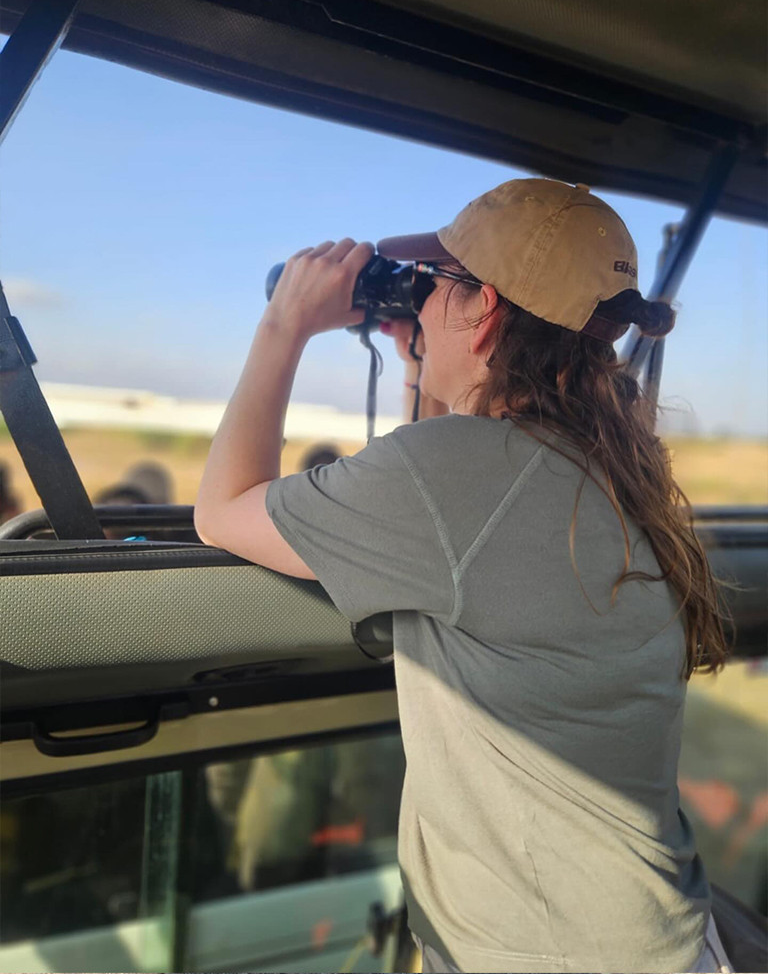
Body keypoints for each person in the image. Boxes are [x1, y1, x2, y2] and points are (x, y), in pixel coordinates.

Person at [194, 178, 734, 974]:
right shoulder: (606, 467)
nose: (417, 303)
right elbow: (452, 536)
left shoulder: (454, 476)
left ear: (485, 312)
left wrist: (284, 324)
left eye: (434, 286)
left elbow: (222, 510)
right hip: (653, 933)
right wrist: (423, 362)